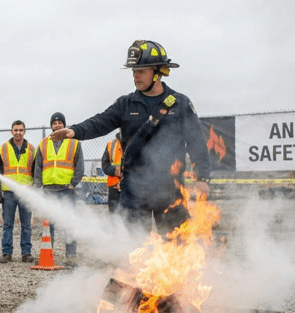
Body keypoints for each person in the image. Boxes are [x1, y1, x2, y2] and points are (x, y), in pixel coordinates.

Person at [51, 40, 210, 235]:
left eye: (141, 71)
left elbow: (196, 143)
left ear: (158, 72)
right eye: (134, 71)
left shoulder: (180, 104)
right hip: (134, 190)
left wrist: (202, 178)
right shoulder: (125, 104)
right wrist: (74, 131)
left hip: (170, 190)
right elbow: (99, 122)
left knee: (175, 244)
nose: (136, 76)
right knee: (133, 246)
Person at [34, 112, 84, 267]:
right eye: (54, 123)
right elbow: (38, 167)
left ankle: (71, 256)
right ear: (51, 126)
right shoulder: (43, 143)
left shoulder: (74, 143)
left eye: (60, 123)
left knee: (69, 223)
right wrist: (38, 186)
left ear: (64, 125)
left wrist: (73, 183)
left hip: (67, 190)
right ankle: (47, 255)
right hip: (49, 189)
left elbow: (79, 166)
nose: (57, 125)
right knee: (48, 225)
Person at [0, 120, 36, 263]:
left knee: (26, 224)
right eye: (15, 130)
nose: (18, 133)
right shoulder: (3, 148)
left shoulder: (32, 150)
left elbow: (36, 172)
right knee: (7, 224)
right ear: (12, 132)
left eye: (20, 130)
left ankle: (26, 253)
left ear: (24, 131)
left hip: (26, 192)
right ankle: (7, 253)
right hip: (9, 192)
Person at [101, 130, 123, 214]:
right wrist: (115, 171)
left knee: (130, 217)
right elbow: (105, 165)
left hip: (131, 187)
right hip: (114, 187)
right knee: (114, 216)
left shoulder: (137, 141)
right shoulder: (111, 144)